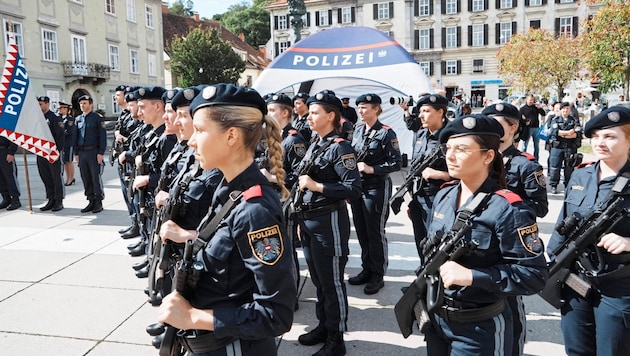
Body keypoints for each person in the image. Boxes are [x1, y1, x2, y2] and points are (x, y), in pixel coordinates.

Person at [157, 83, 296, 355]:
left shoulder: (255, 209)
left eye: (199, 130)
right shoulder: (228, 192)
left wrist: (192, 318)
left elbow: (276, 314)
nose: (191, 140)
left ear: (231, 135)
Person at [422, 114, 548, 355]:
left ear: (488, 156)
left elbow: (534, 275)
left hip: (479, 328)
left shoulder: (509, 208)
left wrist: (473, 276)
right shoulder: (444, 196)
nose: (450, 156)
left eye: (461, 149)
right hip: (438, 317)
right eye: (448, 148)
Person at [547, 106, 630, 356]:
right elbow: (563, 227)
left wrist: (628, 241)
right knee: (576, 349)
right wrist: (550, 266)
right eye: (595, 137)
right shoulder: (581, 176)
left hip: (618, 286)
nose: (600, 143)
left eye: (610, 136)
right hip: (576, 281)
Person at [295, 90, 361, 356]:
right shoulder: (317, 143)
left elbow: (353, 189)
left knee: (332, 281)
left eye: (314, 112)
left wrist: (317, 186)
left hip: (329, 221)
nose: (309, 117)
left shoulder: (341, 147)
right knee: (320, 281)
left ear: (331, 115)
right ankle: (324, 325)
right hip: (310, 221)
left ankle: (337, 338)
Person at [483, 103, 549, 356]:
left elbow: (540, 207)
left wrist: (509, 208)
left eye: (497, 123)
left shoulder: (526, 165)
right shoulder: (480, 158)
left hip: (510, 246)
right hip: (482, 243)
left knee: (510, 309)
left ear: (513, 128)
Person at [348, 93, 401, 295]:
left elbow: (396, 162)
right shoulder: (358, 130)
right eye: (359, 107)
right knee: (362, 231)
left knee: (375, 232)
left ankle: (377, 274)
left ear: (376, 109)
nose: (360, 111)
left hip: (376, 187)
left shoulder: (387, 133)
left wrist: (371, 169)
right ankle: (366, 269)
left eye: (364, 107)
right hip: (358, 188)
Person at [403, 94, 451, 258]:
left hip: (440, 200)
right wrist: (412, 201)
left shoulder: (452, 137)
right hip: (419, 198)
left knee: (438, 244)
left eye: (426, 111)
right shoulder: (420, 135)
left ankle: (437, 282)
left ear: (440, 112)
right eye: (420, 111)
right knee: (421, 242)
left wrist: (439, 174)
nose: (421, 115)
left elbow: (466, 172)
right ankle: (424, 281)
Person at [74, 94, 107, 213]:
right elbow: (75, 137)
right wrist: (76, 153)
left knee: (95, 177)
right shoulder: (78, 119)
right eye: (81, 104)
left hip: (93, 152)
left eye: (85, 103)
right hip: (82, 153)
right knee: (85, 177)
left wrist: (101, 152)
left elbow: (102, 137)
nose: (82, 105)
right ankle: (90, 200)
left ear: (91, 105)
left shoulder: (97, 118)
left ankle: (98, 201)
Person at [37, 96, 65, 212]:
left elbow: (60, 136)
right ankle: (50, 199)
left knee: (56, 177)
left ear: (47, 104)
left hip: (52, 153)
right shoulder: (37, 118)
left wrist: (57, 151)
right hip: (41, 152)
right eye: (38, 104)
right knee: (45, 177)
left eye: (41, 104)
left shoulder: (54, 118)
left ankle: (58, 201)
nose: (39, 106)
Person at [548, 101, 583, 194]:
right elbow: (554, 132)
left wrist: (563, 134)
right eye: (563, 109)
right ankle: (554, 185)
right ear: (560, 110)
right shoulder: (555, 119)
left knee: (569, 168)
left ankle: (568, 185)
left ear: (569, 110)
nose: (565, 110)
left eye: (567, 109)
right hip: (557, 147)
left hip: (570, 147)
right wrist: (569, 133)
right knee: (555, 167)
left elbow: (578, 132)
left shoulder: (574, 120)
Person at [519, 95, 547, 161]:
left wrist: (540, 108)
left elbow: (543, 114)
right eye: (530, 100)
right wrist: (525, 122)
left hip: (536, 128)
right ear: (527, 100)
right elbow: (519, 118)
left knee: (536, 146)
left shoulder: (535, 107)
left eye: (532, 100)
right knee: (524, 145)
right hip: (527, 129)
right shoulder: (523, 108)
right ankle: (523, 159)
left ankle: (536, 160)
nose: (531, 101)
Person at [0, 136, 21, 210]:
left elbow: (13, 137)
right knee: (1, 178)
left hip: (5, 151)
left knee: (10, 177)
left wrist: (11, 152)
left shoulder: (5, 124)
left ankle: (15, 199)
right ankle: (6, 198)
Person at [59, 101, 77, 186]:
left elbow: (69, 131)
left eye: (63, 108)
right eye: (60, 108)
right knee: (65, 161)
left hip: (69, 143)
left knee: (69, 161)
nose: (61, 109)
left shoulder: (70, 120)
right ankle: (68, 177)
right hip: (62, 143)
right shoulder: (60, 119)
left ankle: (71, 178)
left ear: (68, 110)